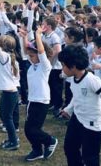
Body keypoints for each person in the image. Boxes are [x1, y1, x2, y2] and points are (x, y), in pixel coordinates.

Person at [59, 45, 101, 166]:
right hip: (77, 118)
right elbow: (77, 96)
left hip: (93, 124)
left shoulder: (91, 80)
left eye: (64, 65)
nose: (62, 68)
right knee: (70, 148)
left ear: (73, 66)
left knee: (90, 157)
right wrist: (68, 109)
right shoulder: (74, 79)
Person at [21, 26, 58, 162]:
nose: (29, 57)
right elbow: (27, 50)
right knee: (27, 129)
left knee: (33, 129)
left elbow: (41, 51)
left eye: (32, 55)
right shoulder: (33, 65)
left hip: (41, 101)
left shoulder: (45, 65)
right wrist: (24, 36)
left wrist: (38, 35)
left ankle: (50, 141)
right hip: (32, 100)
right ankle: (37, 151)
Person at [0, 34, 21, 151]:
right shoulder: (6, 57)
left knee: (7, 117)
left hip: (10, 93)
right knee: (3, 115)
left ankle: (14, 141)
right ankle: (12, 138)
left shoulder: (4, 57)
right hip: (8, 92)